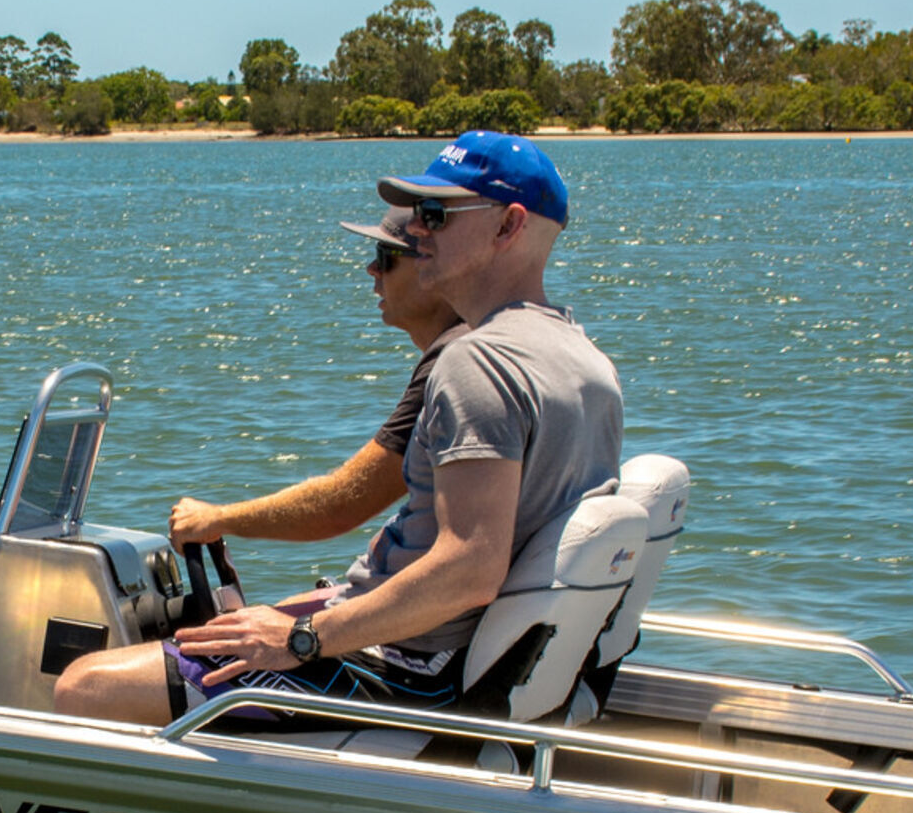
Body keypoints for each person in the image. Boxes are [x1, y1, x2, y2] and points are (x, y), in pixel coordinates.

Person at [53, 132, 621, 724]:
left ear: (508, 227)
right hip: (453, 658)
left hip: (409, 671)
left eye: (435, 215)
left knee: (85, 686)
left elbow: (469, 570)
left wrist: (302, 639)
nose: (417, 231)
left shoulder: (476, 362)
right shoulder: (584, 358)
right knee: (224, 632)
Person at [164, 216, 462, 557]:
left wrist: (216, 518)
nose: (371, 269)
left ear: (433, 267)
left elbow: (342, 504)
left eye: (385, 256)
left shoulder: (453, 359)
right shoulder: (474, 344)